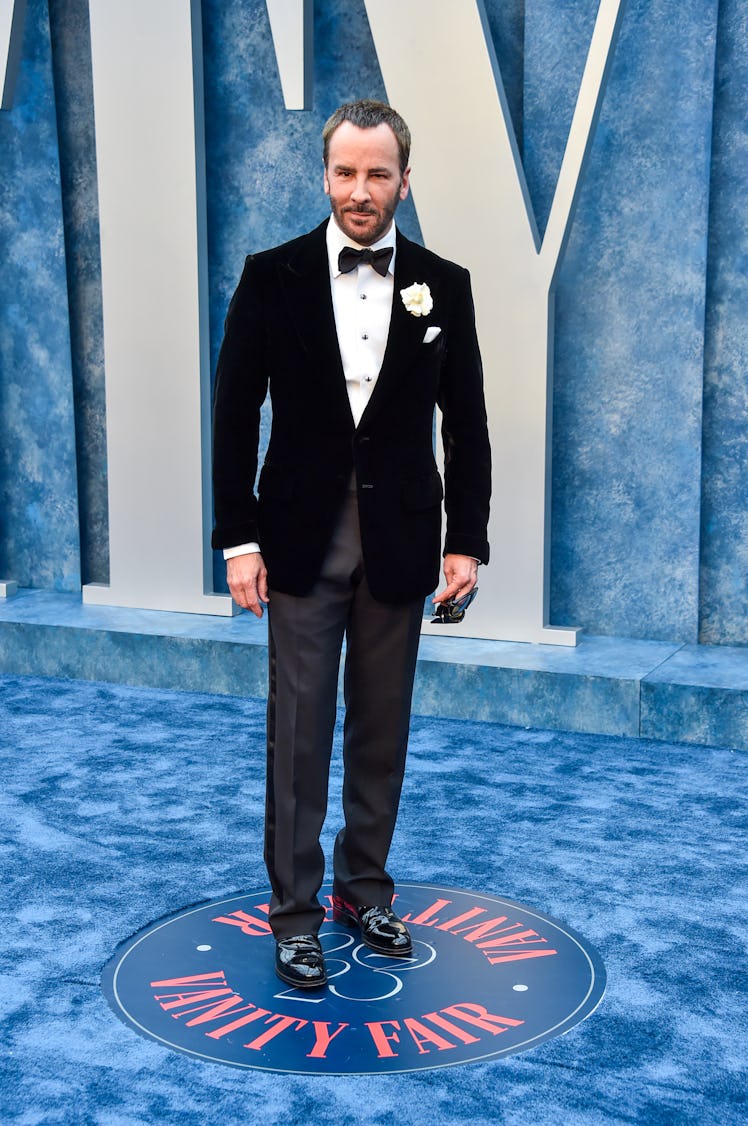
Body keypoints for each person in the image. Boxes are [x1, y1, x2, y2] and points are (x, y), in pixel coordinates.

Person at [211, 99, 491, 988]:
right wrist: (237, 540)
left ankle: (363, 889)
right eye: (345, 172)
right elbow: (232, 414)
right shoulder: (270, 275)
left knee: (382, 730)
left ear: (406, 180)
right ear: (324, 174)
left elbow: (469, 423)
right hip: (295, 542)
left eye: (378, 174)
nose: (360, 191)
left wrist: (467, 541)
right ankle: (293, 912)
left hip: (403, 543)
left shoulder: (445, 283)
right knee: (297, 735)